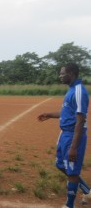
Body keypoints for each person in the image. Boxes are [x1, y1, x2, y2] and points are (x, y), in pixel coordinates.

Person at [38, 63, 90, 208]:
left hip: (74, 136)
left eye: (62, 73)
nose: (60, 76)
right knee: (60, 164)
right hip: (65, 135)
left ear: (71, 73)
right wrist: (49, 114)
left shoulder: (79, 91)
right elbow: (67, 112)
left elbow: (80, 121)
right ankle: (87, 190)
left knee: (72, 172)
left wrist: (74, 147)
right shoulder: (71, 90)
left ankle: (69, 205)